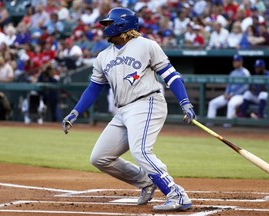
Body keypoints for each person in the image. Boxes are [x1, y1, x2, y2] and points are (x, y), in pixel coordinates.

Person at [62, 7, 196, 212]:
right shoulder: (103, 56)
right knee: (99, 157)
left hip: (147, 102)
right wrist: (76, 111)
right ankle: (146, 181)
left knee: (141, 150)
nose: (105, 27)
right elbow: (94, 88)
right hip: (123, 111)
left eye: (109, 23)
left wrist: (184, 102)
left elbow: (171, 75)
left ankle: (177, 194)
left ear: (122, 25)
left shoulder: (146, 46)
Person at [207, 54, 250, 127]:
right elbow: (229, 85)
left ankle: (227, 126)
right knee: (212, 103)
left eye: (237, 61)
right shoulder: (232, 73)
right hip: (229, 95)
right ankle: (209, 125)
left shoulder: (245, 73)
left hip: (240, 96)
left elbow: (245, 87)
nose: (235, 62)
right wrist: (226, 93)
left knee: (231, 104)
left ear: (241, 62)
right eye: (234, 61)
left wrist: (233, 95)